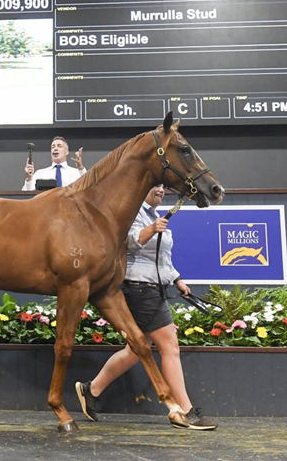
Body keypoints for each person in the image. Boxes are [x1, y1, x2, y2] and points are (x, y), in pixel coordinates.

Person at [75, 184, 217, 430]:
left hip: (153, 287)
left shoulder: (152, 214)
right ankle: (185, 411)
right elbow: (126, 242)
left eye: (163, 187)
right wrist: (151, 229)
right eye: (156, 186)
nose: (161, 190)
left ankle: (91, 390)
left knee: (136, 350)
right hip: (138, 287)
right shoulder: (132, 211)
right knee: (169, 345)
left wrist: (177, 279)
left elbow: (161, 257)